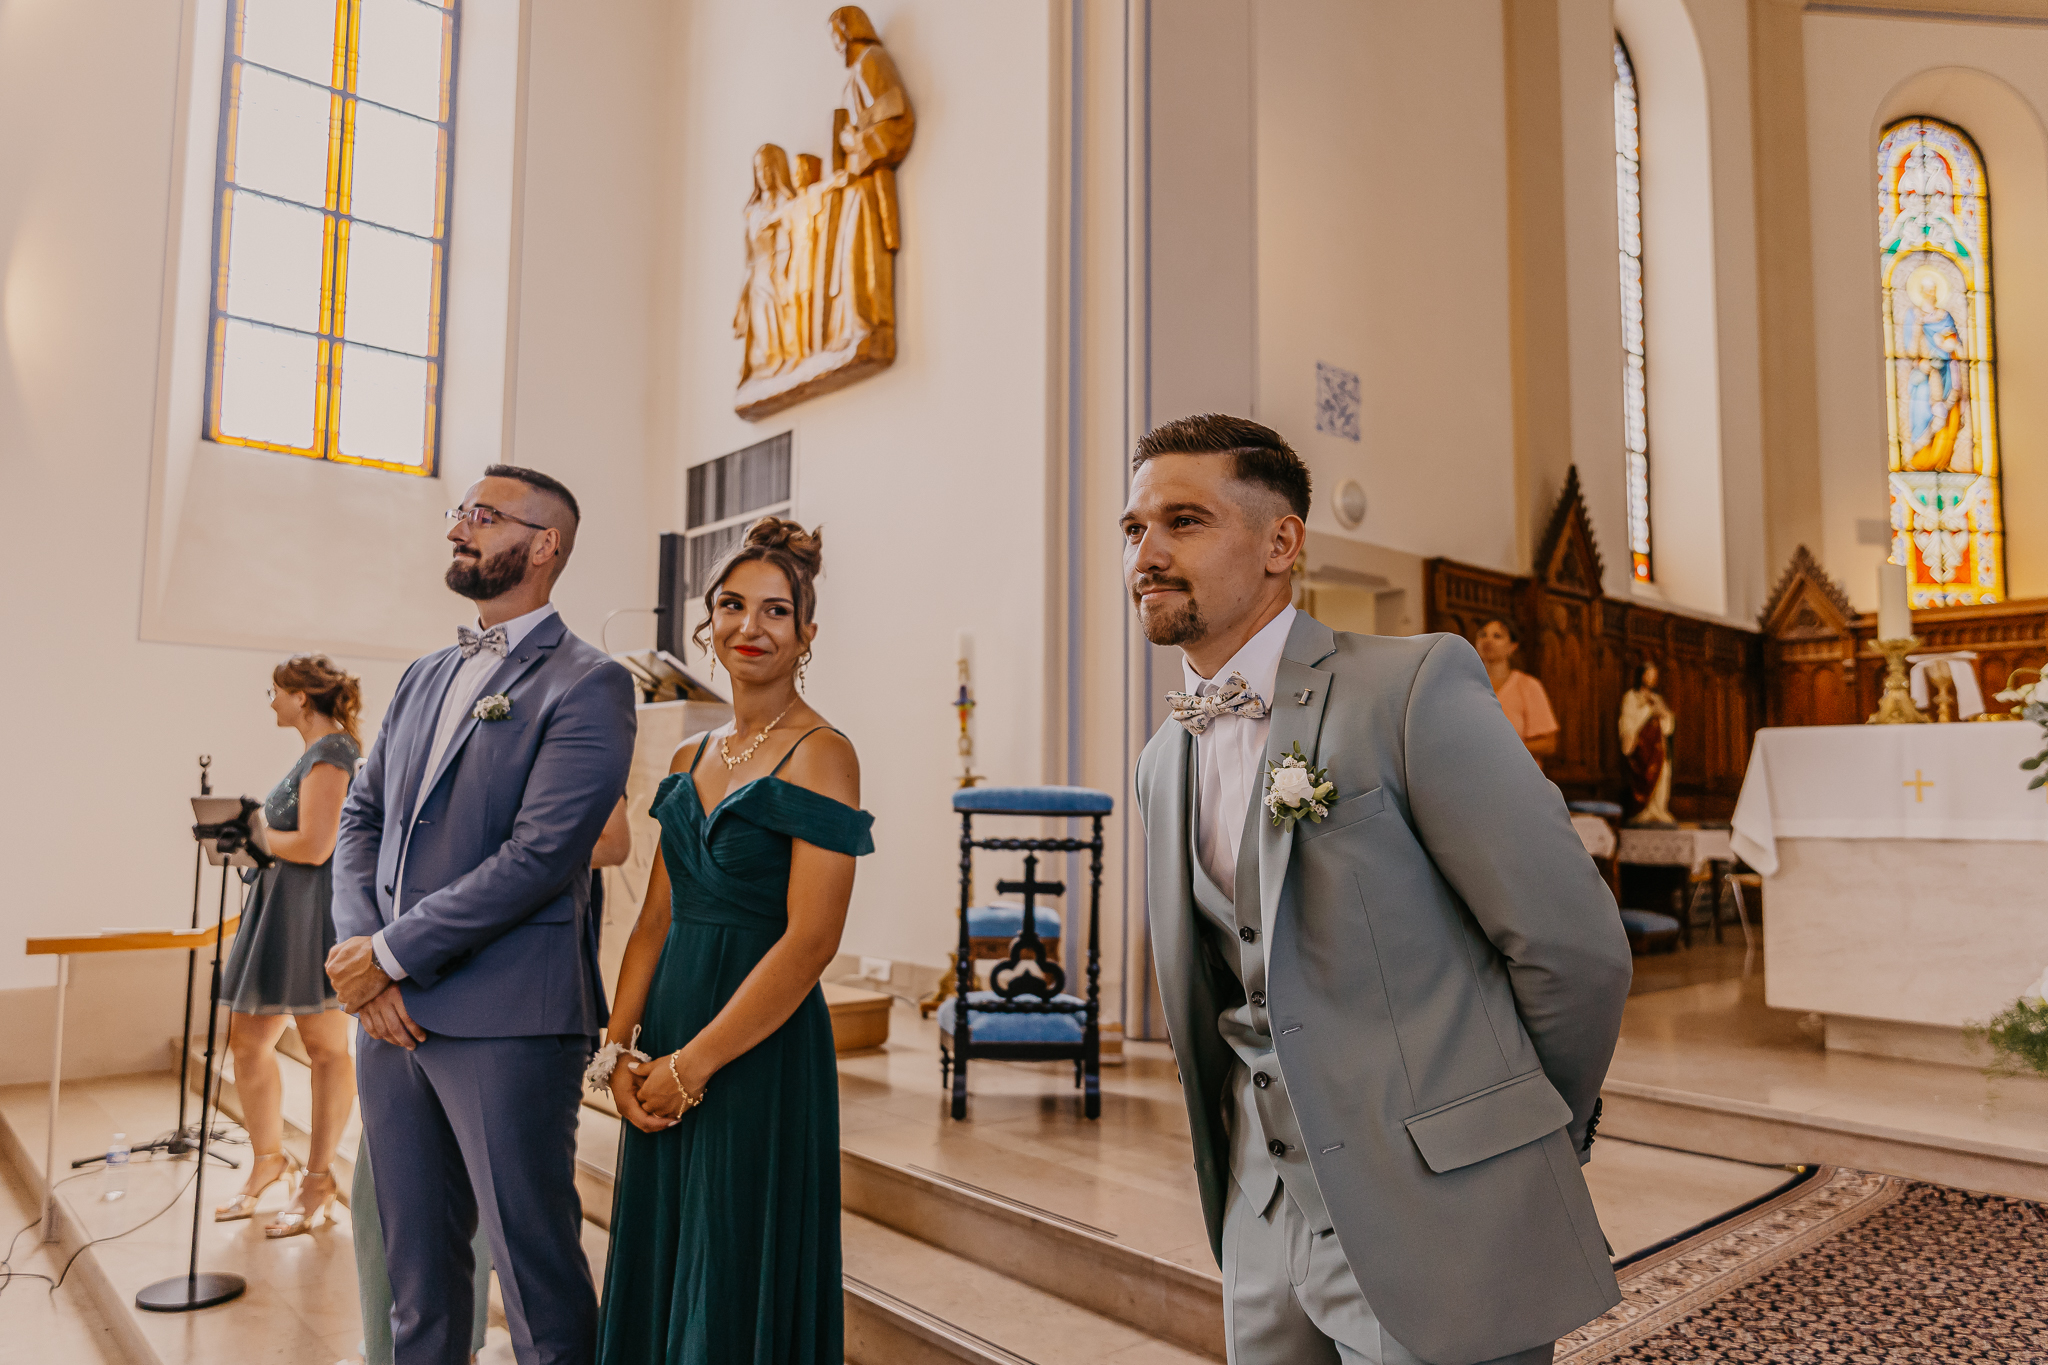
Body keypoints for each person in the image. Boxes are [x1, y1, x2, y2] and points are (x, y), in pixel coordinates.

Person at [1123, 414, 1631, 1365]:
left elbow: (1575, 949)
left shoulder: (1409, 688)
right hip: (1261, 1214)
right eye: (1134, 528)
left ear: (1281, 542)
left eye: (1183, 521)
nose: (1146, 554)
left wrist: (1513, 1138)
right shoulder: (1161, 762)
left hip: (1440, 1207)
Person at [329, 465, 636, 1365]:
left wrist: (389, 954)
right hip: (387, 1019)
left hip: (508, 1019)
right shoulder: (425, 674)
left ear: (544, 545)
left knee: (535, 1279)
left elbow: (540, 857)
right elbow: (362, 817)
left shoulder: (590, 683)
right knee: (417, 1283)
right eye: (460, 511)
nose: (459, 527)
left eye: (485, 515)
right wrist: (360, 952)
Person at [595, 518, 871, 1365]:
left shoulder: (824, 752)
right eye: (732, 605)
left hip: (756, 1043)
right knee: (668, 1249)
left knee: (734, 1254)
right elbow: (654, 919)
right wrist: (617, 1050)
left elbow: (812, 941)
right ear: (706, 623)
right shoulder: (688, 753)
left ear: (807, 634)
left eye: (776, 610)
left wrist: (694, 1065)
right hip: (671, 1025)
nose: (751, 625)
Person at [345, 795, 635, 1365]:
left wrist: (469, 868)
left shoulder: (565, 742)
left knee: (528, 1254)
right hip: (404, 988)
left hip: (510, 993)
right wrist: (369, 961)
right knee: (408, 1241)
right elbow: (365, 825)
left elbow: (606, 840)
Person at [215, 655, 362, 1237]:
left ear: (302, 696)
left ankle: (318, 1178)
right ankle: (268, 1160)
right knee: (247, 1041)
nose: (271, 700)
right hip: (277, 910)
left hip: (309, 914)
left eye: (275, 691)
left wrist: (253, 832)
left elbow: (317, 845)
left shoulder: (334, 751)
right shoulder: (311, 754)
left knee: (324, 1047)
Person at [1473, 617, 1559, 758]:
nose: (1488, 640)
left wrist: (1504, 749)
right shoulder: (1466, 685)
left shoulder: (1528, 686)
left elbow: (1549, 744)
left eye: (1497, 636)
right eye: (1482, 635)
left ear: (1512, 646)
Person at [1619, 661, 1676, 826]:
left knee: (1662, 775)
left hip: (1658, 747)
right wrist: (1649, 711)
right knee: (1645, 776)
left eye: (1654, 676)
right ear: (1642, 676)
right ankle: (1644, 811)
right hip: (1643, 746)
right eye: (1649, 675)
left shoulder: (1657, 698)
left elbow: (1668, 725)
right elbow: (1628, 720)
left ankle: (1658, 810)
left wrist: (1664, 715)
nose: (1652, 679)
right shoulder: (1631, 696)